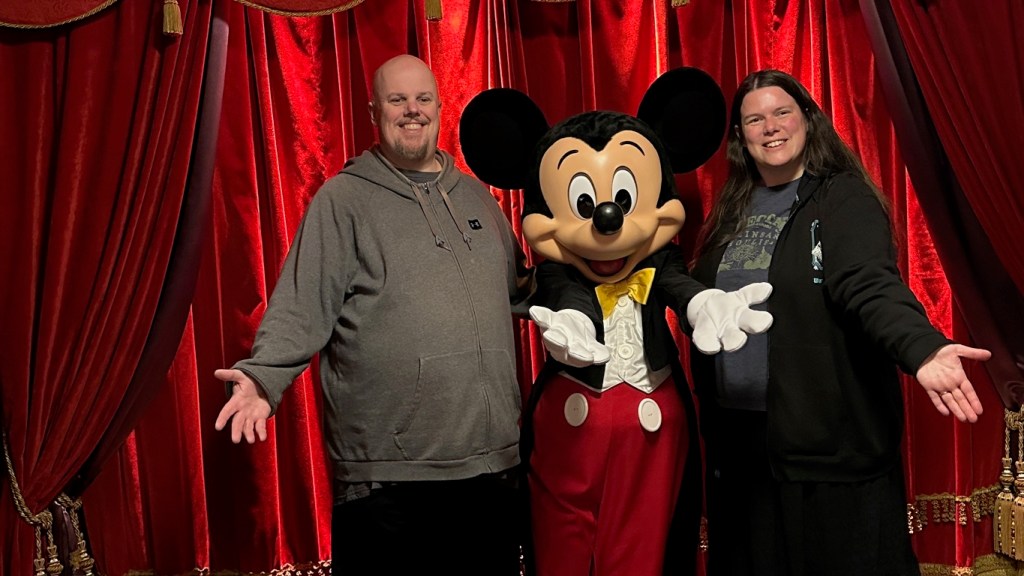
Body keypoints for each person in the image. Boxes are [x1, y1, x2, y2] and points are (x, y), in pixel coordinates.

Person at [213, 54, 531, 575]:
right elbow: (301, 303)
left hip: (491, 468)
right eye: (397, 99)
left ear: (439, 106)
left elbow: (519, 289)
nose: (412, 110)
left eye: (423, 98)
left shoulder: (476, 197)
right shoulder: (344, 200)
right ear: (373, 111)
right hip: (387, 484)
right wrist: (261, 378)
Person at [688, 69, 992, 576]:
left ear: (808, 120)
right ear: (741, 137)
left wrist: (921, 347)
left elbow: (866, 283)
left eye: (782, 112)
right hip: (741, 448)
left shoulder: (841, 198)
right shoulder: (731, 210)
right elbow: (704, 305)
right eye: (754, 119)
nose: (771, 127)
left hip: (826, 445)